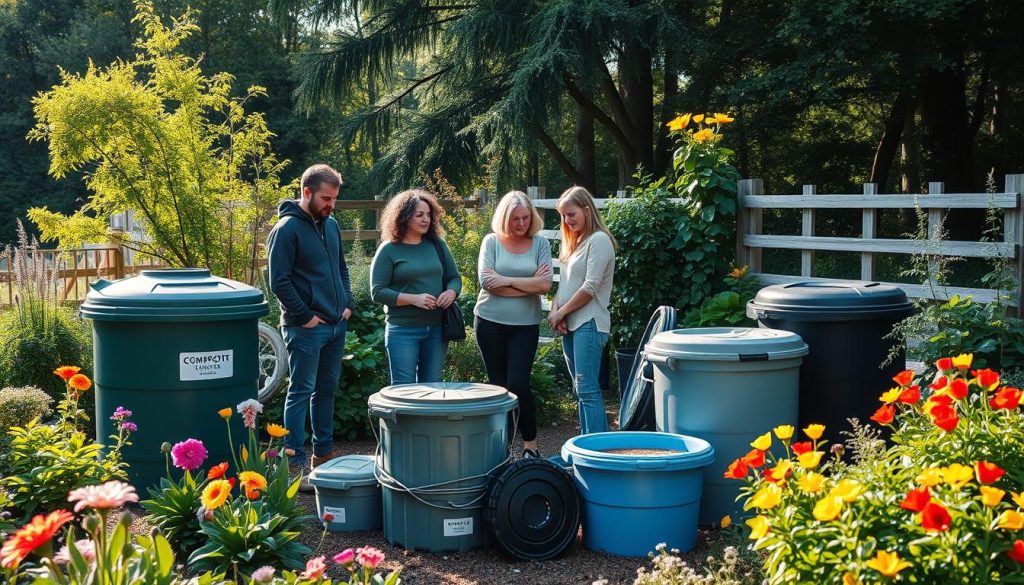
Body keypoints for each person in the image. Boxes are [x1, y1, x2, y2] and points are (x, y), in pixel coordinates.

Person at [267, 164, 354, 475]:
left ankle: (324, 455)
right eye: (326, 199)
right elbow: (278, 281)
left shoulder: (331, 225)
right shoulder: (287, 230)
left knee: (326, 390)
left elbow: (342, 268)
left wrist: (348, 303)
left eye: (334, 199)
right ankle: (294, 463)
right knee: (301, 392)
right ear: (307, 192)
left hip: (335, 325)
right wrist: (304, 317)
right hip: (306, 328)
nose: (331, 205)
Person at [474, 191, 553, 458]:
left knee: (519, 383)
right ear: (504, 218)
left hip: (525, 324)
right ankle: (502, 449)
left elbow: (544, 285)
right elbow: (487, 282)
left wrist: (504, 280)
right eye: (515, 219)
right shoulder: (491, 241)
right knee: (498, 387)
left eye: (525, 217)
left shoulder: (540, 243)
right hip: (489, 322)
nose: (521, 223)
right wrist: (527, 285)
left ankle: (530, 445)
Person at [370, 189, 461, 384]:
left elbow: (454, 278)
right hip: (402, 330)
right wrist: (414, 299)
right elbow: (377, 292)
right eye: (419, 215)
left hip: (437, 328)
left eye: (429, 215)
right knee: (404, 390)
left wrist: (451, 292)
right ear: (403, 217)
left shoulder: (438, 245)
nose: (425, 219)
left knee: (432, 387)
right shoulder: (389, 249)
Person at [548, 186, 617, 435]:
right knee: (580, 390)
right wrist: (556, 312)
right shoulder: (574, 244)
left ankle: (598, 448)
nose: (567, 220)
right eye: (564, 216)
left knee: (587, 389)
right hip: (570, 324)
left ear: (587, 210)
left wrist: (560, 312)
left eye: (572, 214)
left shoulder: (599, 240)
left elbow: (590, 287)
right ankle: (587, 445)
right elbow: (564, 285)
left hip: (589, 322)